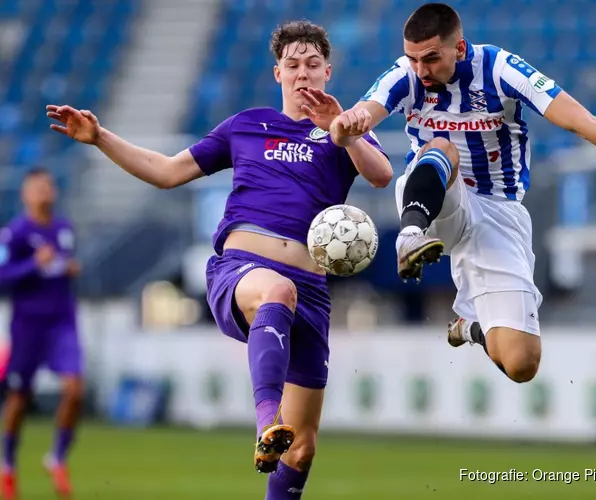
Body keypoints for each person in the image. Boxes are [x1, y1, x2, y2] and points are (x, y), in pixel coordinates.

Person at [46, 20, 392, 499]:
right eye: (292, 65)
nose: (303, 74)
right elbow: (168, 172)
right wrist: (101, 137)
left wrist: (345, 134)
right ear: (278, 74)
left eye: (312, 64)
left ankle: (278, 443)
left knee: (302, 449)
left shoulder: (344, 127)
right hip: (242, 272)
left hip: (311, 287)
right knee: (277, 291)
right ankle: (266, 420)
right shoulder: (246, 126)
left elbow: (381, 176)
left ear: (327, 71)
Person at [319, 2, 596, 384]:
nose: (421, 70)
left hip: (498, 212)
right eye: (413, 59)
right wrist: (347, 126)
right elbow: (364, 112)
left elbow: (582, 121)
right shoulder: (406, 74)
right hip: (434, 200)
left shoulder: (500, 69)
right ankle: (410, 237)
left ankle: (471, 327)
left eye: (430, 58)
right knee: (441, 149)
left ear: (459, 49)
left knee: (522, 364)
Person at [0, 168, 83, 499]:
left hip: (63, 321)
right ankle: (7, 463)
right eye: (37, 187)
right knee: (20, 399)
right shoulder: (14, 233)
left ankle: (57, 457)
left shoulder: (64, 229)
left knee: (74, 390)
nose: (44, 191)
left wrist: (68, 267)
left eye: (48, 185)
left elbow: (62, 265)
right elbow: (3, 277)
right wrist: (34, 264)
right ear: (25, 194)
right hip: (28, 325)